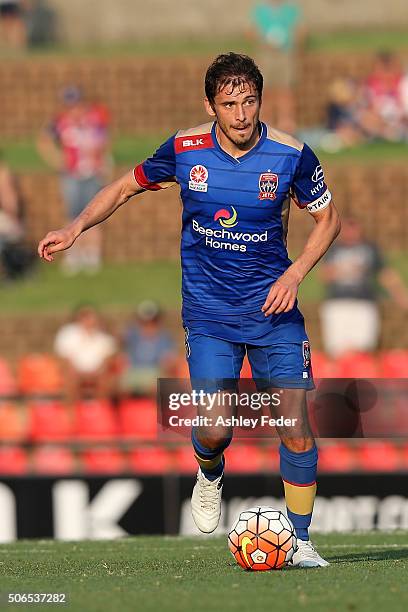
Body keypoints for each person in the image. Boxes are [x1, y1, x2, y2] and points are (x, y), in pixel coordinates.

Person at [38, 53, 340, 568]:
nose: (241, 114)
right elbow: (125, 186)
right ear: (210, 105)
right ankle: (209, 469)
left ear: (260, 101)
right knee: (217, 425)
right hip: (209, 314)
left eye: (249, 102)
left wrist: (294, 275)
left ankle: (302, 541)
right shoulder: (185, 148)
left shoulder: (291, 154)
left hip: (274, 310)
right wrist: (75, 228)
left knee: (294, 423)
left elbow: (328, 219)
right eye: (229, 104)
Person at [37, 86, 111, 274]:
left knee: (93, 214)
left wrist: (104, 163)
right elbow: (43, 141)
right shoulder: (60, 122)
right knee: (72, 214)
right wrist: (57, 161)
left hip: (92, 172)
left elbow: (104, 141)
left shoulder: (95, 118)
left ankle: (92, 256)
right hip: (71, 174)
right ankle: (74, 255)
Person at [320, 216, 408, 357]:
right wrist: (345, 269)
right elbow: (325, 275)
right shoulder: (333, 249)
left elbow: (385, 275)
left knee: (363, 349)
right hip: (338, 303)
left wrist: (401, 296)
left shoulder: (370, 249)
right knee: (337, 350)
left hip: (364, 303)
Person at [251, 0, 303, 133]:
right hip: (266, 55)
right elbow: (251, 31)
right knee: (264, 90)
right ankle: (266, 124)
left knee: (285, 90)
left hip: (285, 55)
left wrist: (291, 45)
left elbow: (300, 31)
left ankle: (286, 124)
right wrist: (266, 43)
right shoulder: (260, 10)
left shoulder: (291, 9)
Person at [54, 305, 118, 404]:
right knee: (70, 380)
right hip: (74, 372)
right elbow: (64, 358)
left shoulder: (104, 337)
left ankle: (99, 412)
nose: (88, 320)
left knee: (106, 381)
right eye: (84, 316)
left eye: (90, 316)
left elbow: (108, 358)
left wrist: (98, 371)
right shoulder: (68, 334)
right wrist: (75, 371)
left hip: (99, 373)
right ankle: (71, 416)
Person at [121, 300, 177, 395]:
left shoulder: (165, 336)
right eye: (145, 321)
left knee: (158, 385)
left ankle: (153, 409)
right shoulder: (132, 334)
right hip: (134, 370)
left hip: (155, 371)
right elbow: (124, 355)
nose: (148, 324)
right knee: (120, 386)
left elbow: (168, 359)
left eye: (152, 321)